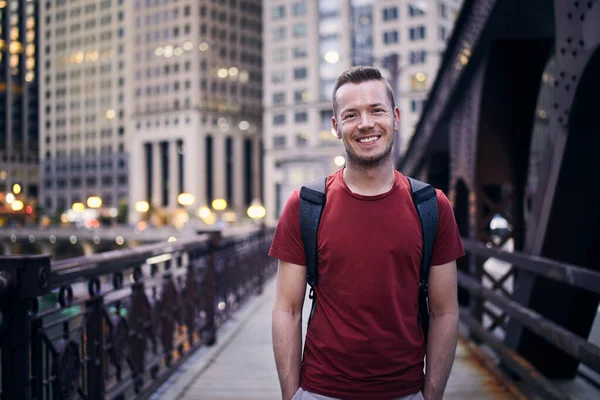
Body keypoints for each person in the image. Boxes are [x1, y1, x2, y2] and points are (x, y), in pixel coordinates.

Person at [269, 66, 465, 400]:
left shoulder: (432, 207)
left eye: (376, 110)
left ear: (396, 116)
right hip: (321, 391)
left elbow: (444, 310)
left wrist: (431, 395)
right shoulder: (305, 206)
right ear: (336, 126)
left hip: (405, 391)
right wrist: (292, 396)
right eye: (351, 115)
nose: (365, 124)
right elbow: (287, 309)